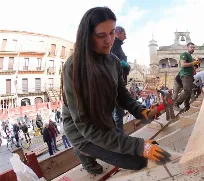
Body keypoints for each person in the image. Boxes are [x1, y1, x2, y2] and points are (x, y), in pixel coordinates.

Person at [61, 6, 170, 175]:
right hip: (83, 132)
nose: (109, 40)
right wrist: (139, 146)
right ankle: (82, 150)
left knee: (148, 151)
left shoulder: (114, 62)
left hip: (104, 124)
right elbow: (85, 126)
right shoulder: (73, 68)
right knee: (139, 160)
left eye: (112, 33)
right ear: (87, 37)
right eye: (101, 35)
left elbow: (122, 95)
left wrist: (140, 111)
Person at [111, 26, 130, 131]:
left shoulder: (118, 46)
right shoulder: (114, 44)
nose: (126, 37)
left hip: (119, 83)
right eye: (124, 34)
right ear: (118, 33)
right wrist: (124, 64)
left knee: (119, 114)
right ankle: (119, 138)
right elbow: (112, 59)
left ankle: (120, 137)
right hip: (115, 84)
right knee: (117, 115)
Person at [173, 43, 200, 111]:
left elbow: (191, 66)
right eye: (191, 47)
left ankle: (187, 106)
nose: (193, 49)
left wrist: (194, 63)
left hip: (189, 76)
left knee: (189, 91)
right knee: (186, 91)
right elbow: (183, 64)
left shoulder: (190, 57)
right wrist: (193, 63)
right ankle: (175, 104)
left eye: (193, 48)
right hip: (185, 75)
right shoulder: (184, 54)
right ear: (187, 47)